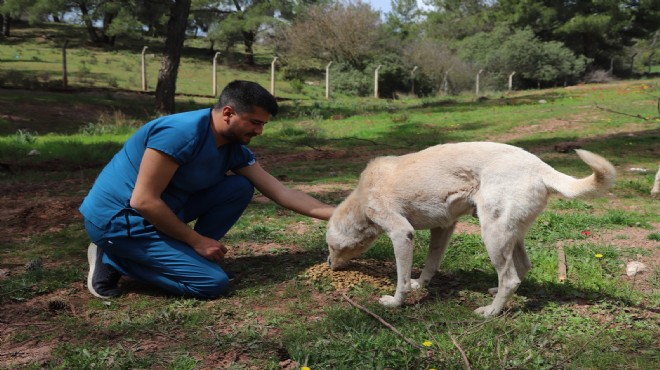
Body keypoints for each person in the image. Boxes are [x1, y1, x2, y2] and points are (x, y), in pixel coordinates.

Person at [80, 80, 335, 299]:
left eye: (263, 124)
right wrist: (197, 240)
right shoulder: (179, 133)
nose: (259, 131)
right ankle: (113, 257)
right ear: (227, 113)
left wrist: (344, 213)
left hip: (159, 213)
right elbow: (143, 200)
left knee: (239, 186)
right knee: (211, 283)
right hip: (120, 221)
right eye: (254, 122)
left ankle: (184, 256)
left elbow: (282, 193)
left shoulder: (232, 146)